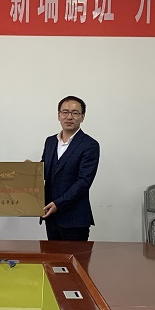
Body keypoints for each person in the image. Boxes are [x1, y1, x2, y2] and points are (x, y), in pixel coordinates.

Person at [40, 95, 100, 241]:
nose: (69, 117)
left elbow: (84, 182)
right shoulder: (50, 141)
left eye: (75, 113)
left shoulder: (90, 145)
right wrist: (29, 170)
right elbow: (46, 172)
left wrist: (58, 204)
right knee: (51, 256)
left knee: (76, 257)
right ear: (58, 115)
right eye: (65, 112)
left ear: (82, 117)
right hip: (50, 216)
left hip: (75, 219)